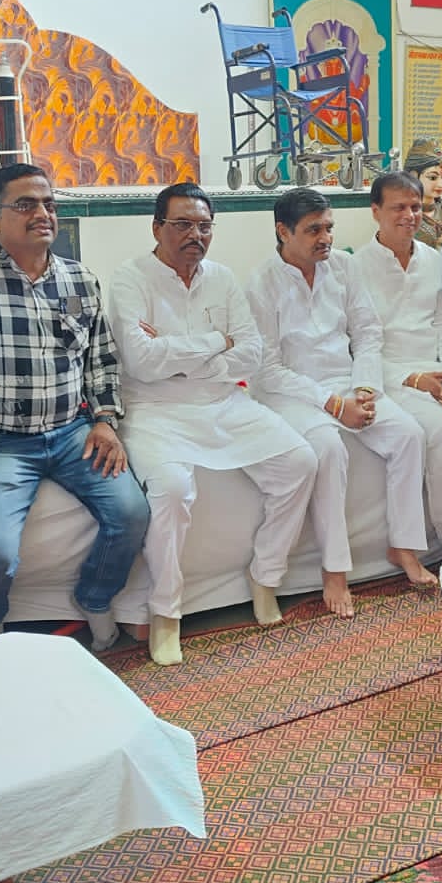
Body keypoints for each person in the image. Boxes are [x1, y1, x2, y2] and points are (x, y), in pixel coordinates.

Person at [109, 183, 316, 665]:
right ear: (157, 228)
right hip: (155, 409)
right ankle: (166, 612)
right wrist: (217, 341)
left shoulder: (222, 278)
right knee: (171, 490)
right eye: (182, 224)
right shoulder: (129, 278)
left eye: (204, 226)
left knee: (300, 462)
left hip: (223, 402)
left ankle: (266, 576)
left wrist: (179, 355)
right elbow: (141, 363)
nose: (194, 235)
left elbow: (251, 354)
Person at [0, 164, 148, 650]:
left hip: (72, 432)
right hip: (3, 441)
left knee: (131, 514)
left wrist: (105, 421)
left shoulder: (79, 280)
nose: (42, 214)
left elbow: (101, 359)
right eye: (25, 204)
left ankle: (95, 597)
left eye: (49, 204)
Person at [247, 188, 433, 618]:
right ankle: (334, 570)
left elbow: (367, 332)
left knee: (409, 434)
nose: (326, 238)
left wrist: (364, 387)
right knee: (329, 450)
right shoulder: (262, 282)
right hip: (290, 393)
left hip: (348, 381)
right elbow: (268, 370)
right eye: (314, 230)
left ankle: (403, 546)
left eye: (328, 228)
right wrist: (333, 406)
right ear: (283, 232)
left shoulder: (344, 266)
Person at [353, 171, 442, 548]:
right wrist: (416, 381)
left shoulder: (434, 259)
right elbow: (360, 345)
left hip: (439, 367)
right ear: (375, 211)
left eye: (416, 207)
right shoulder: (355, 267)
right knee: (440, 428)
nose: (410, 216)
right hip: (393, 375)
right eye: (398, 208)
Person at [405, 137, 442, 247]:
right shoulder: (405, 219)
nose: (441, 184)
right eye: (433, 178)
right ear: (413, 176)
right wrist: (440, 247)